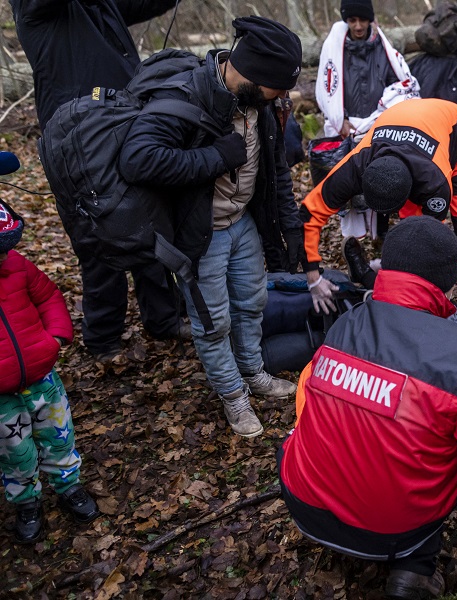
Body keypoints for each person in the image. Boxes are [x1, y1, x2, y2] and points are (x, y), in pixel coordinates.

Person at [278, 216, 457, 600]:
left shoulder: (347, 322)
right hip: (392, 531)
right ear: (449, 280)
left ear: (387, 265)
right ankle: (415, 567)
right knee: (448, 456)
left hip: (302, 502)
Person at [118, 17, 305, 437]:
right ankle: (233, 395)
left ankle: (253, 373)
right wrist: (216, 157)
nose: (284, 97)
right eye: (280, 87)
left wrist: (289, 227)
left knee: (252, 304)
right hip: (201, 236)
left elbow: (274, 171)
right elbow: (138, 159)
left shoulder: (261, 106)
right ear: (255, 74)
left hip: (244, 226)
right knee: (212, 321)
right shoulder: (186, 96)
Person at [10, 0, 184, 361]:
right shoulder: (36, 7)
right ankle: (104, 338)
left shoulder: (101, 5)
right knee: (98, 230)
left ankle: (164, 319)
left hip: (125, 124)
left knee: (147, 215)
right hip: (76, 141)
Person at [297, 98, 457, 333]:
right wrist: (313, 275)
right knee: (410, 237)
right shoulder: (355, 166)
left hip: (454, 131)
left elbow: (431, 247)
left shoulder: (434, 183)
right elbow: (309, 212)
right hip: (401, 125)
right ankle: (390, 287)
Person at [0, 196, 100, 544]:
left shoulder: (16, 265)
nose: (4, 257)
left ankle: (68, 484)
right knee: (14, 449)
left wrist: (56, 336)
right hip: (1, 396)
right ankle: (26, 501)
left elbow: (47, 296)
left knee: (58, 433)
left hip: (42, 376)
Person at [316, 0, 419, 140]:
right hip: (346, 128)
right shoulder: (334, 52)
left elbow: (396, 85)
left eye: (363, 20)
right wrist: (341, 120)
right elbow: (328, 90)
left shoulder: (382, 49)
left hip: (380, 126)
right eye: (353, 20)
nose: (358, 26)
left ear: (369, 20)